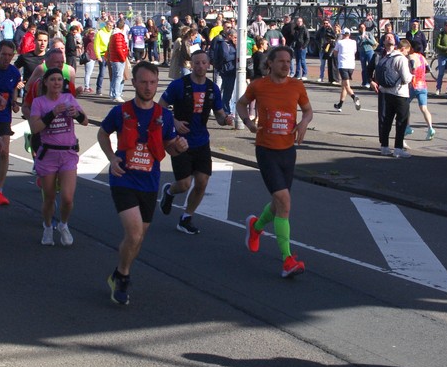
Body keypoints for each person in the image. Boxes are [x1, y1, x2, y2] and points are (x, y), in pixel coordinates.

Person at [98, 62, 189, 305]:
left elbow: (170, 147)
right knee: (134, 233)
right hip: (123, 178)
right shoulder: (121, 112)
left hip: (149, 183)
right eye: (144, 82)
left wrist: (179, 147)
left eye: (153, 83)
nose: (149, 87)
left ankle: (118, 273)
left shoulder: (164, 116)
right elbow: (102, 133)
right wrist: (111, 158)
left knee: (138, 239)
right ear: (134, 83)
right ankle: (123, 278)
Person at [238, 46, 314, 278]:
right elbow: (241, 104)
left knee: (279, 203)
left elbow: (308, 111)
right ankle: (287, 260)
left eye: (288, 61)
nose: (286, 65)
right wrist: (248, 123)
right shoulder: (258, 86)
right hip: (266, 150)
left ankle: (256, 227)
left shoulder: (296, 86)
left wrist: (303, 123)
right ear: (269, 63)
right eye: (281, 61)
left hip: (288, 151)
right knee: (284, 201)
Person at [158, 49, 234, 235]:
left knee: (202, 182)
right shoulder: (178, 85)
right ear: (191, 65)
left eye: (203, 63)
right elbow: (159, 108)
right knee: (184, 184)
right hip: (179, 141)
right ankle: (169, 191)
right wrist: (174, 122)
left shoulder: (212, 88)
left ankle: (186, 218)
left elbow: (219, 115)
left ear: (209, 65)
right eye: (197, 63)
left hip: (201, 141)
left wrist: (226, 120)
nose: (200, 66)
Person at [30, 68, 88, 246]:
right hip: (48, 154)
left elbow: (85, 121)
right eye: (53, 79)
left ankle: (63, 224)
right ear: (45, 82)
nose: (56, 83)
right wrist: (53, 113)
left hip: (68, 154)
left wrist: (76, 114)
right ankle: (48, 226)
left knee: (68, 198)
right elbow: (35, 128)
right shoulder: (39, 102)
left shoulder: (69, 98)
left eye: (59, 80)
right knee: (49, 198)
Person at [0, 40, 22, 207]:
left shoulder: (14, 72)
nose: (6, 58)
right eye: (4, 54)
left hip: (3, 117)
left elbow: (14, 89)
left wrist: (14, 103)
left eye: (10, 55)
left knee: (4, 152)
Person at [373, 37, 414, 157]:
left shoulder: (387, 56)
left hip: (386, 92)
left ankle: (384, 147)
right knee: (401, 121)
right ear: (403, 48)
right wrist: (412, 75)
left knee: (387, 121)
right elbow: (406, 78)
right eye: (407, 51)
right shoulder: (401, 59)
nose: (407, 54)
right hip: (400, 93)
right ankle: (398, 149)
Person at [404, 40, 435, 140]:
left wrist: (412, 73)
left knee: (405, 106)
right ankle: (430, 128)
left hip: (413, 85)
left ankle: (407, 126)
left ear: (412, 48)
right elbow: (428, 69)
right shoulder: (422, 57)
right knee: (424, 108)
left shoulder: (410, 57)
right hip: (422, 85)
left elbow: (412, 66)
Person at [333, 27, 361, 112]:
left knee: (347, 86)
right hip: (351, 65)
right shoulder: (353, 42)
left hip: (343, 65)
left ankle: (354, 97)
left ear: (342, 34)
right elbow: (354, 51)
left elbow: (335, 53)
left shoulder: (339, 42)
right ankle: (340, 104)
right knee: (344, 86)